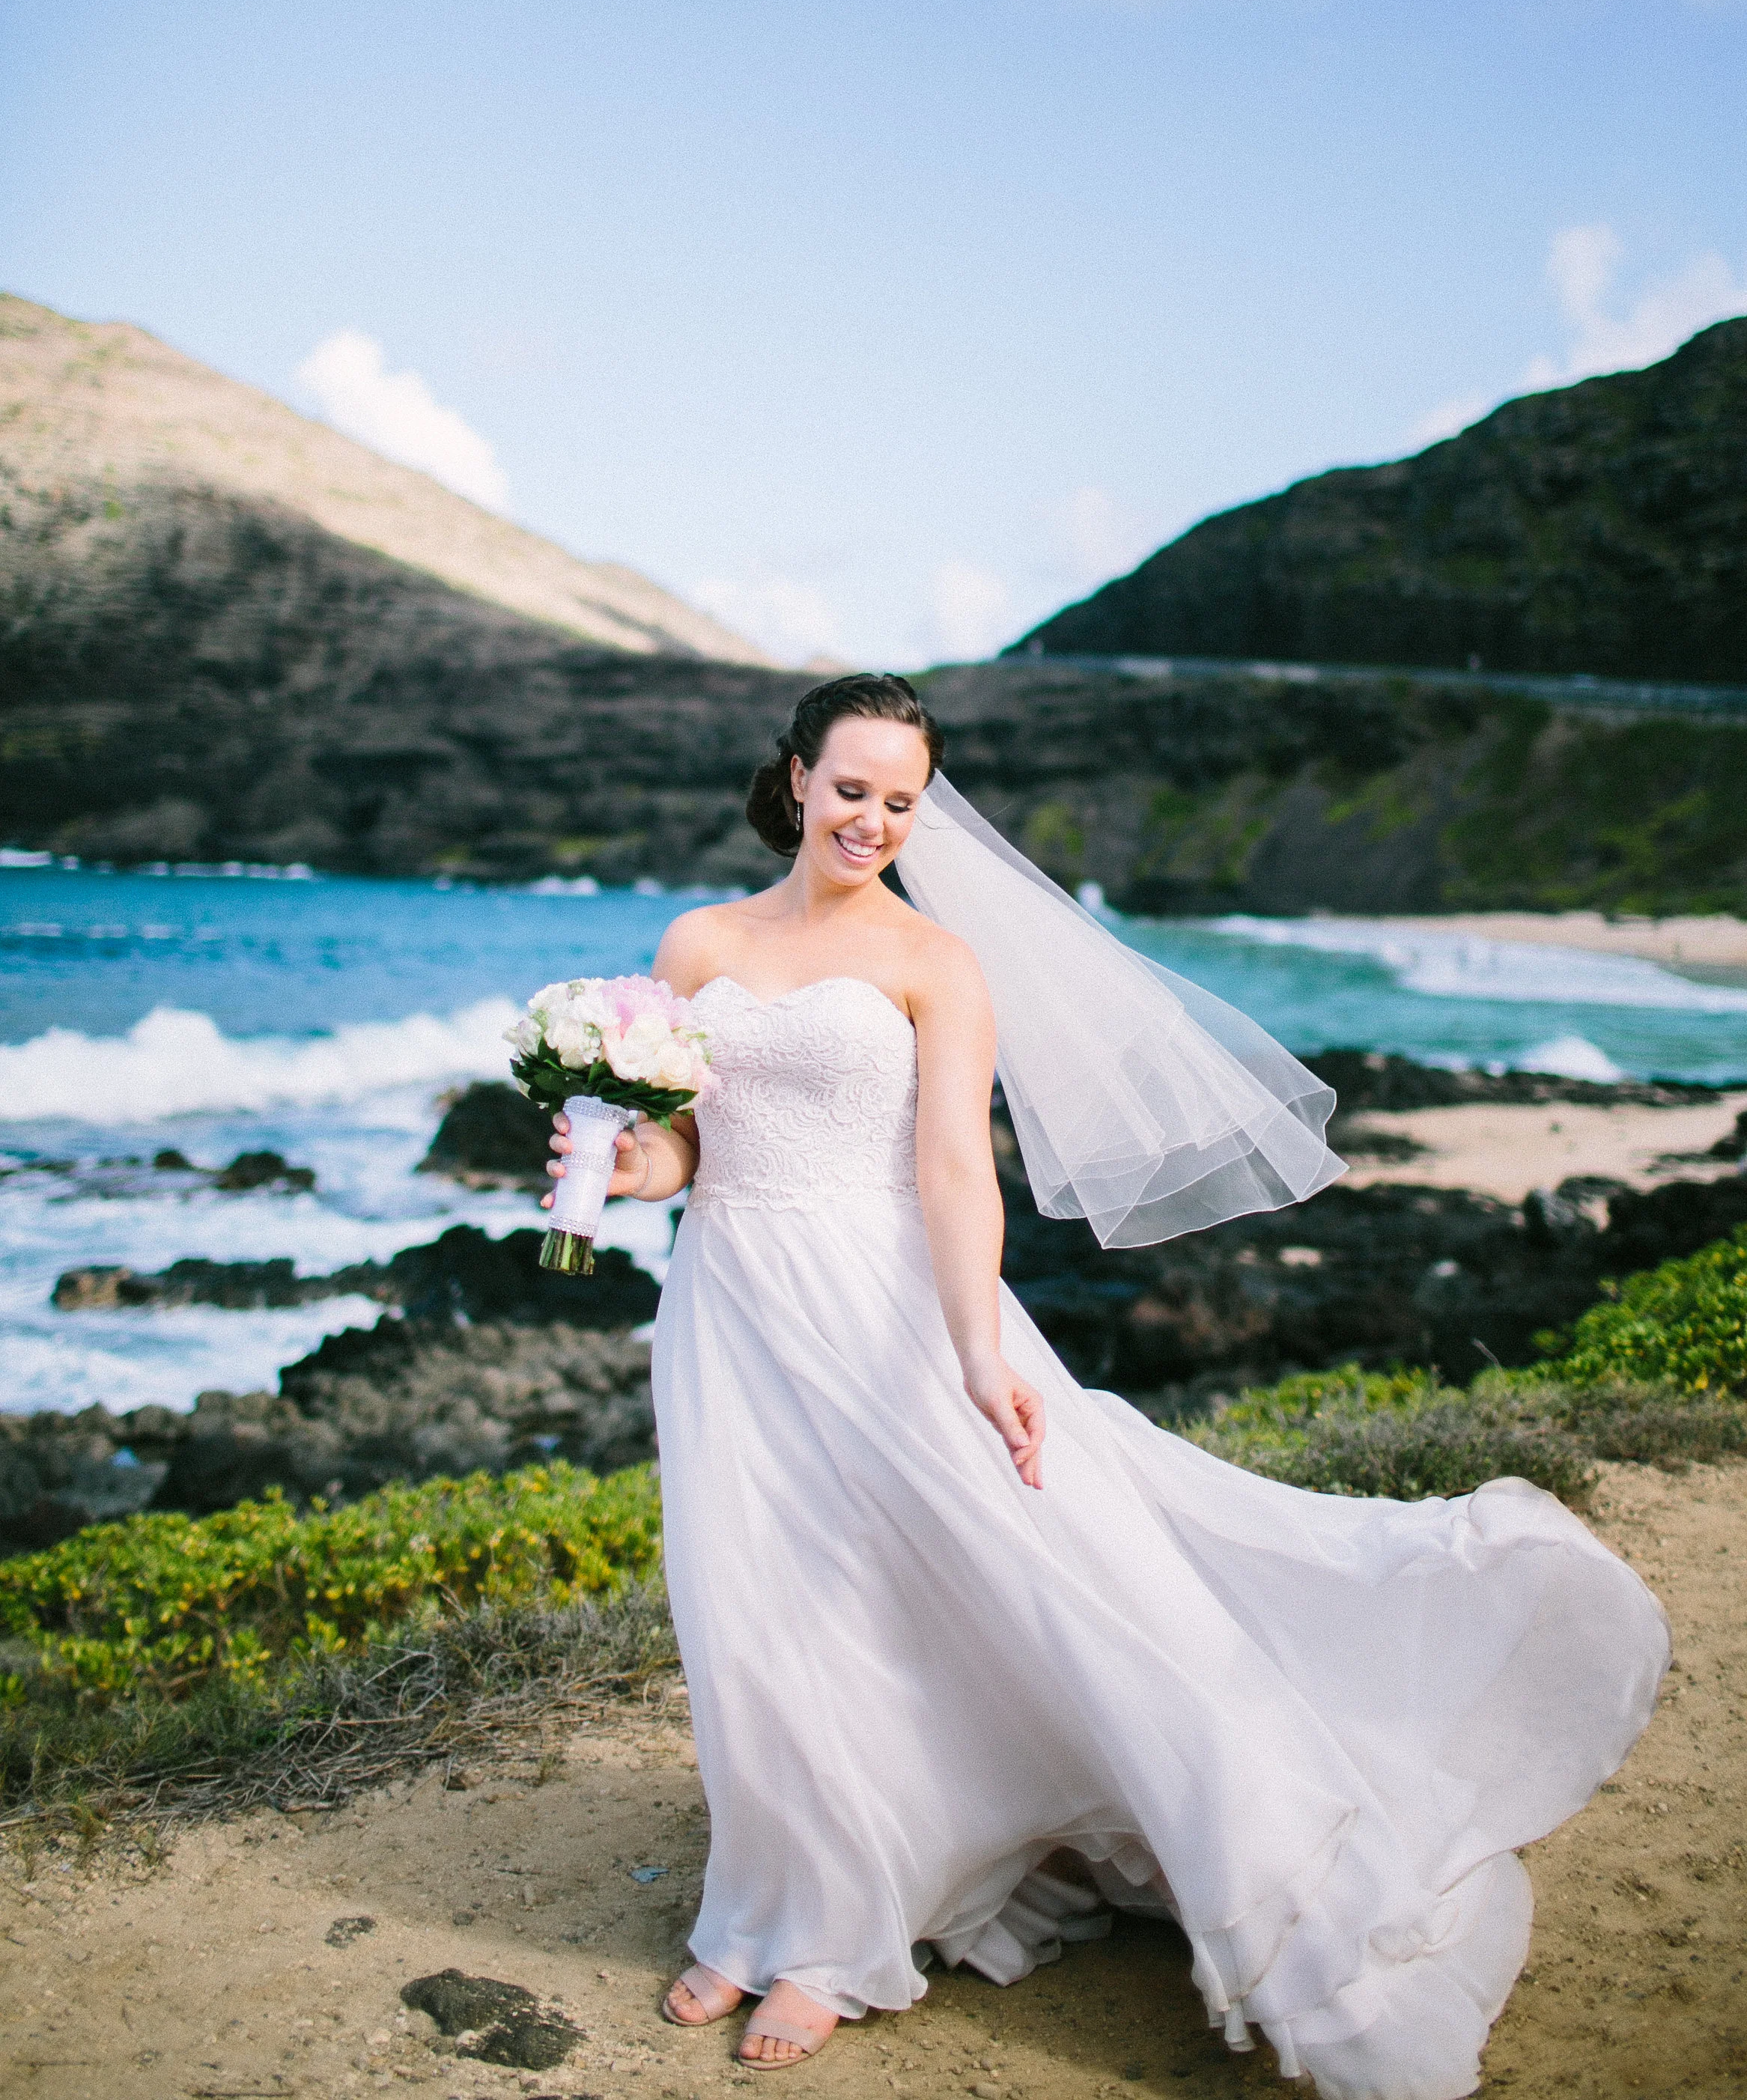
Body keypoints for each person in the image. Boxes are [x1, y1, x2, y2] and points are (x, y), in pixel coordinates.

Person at [544, 674, 1668, 2091]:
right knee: (757, 1601)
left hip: (885, 1305)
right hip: (730, 1303)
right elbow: (697, 1142)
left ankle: (830, 1941)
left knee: (970, 1586)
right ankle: (769, 1904)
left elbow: (955, 1168)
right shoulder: (697, 940)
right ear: (794, 778)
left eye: (902, 800)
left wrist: (976, 1350)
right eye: (851, 790)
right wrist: (631, 1165)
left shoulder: (935, 962)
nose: (873, 821)